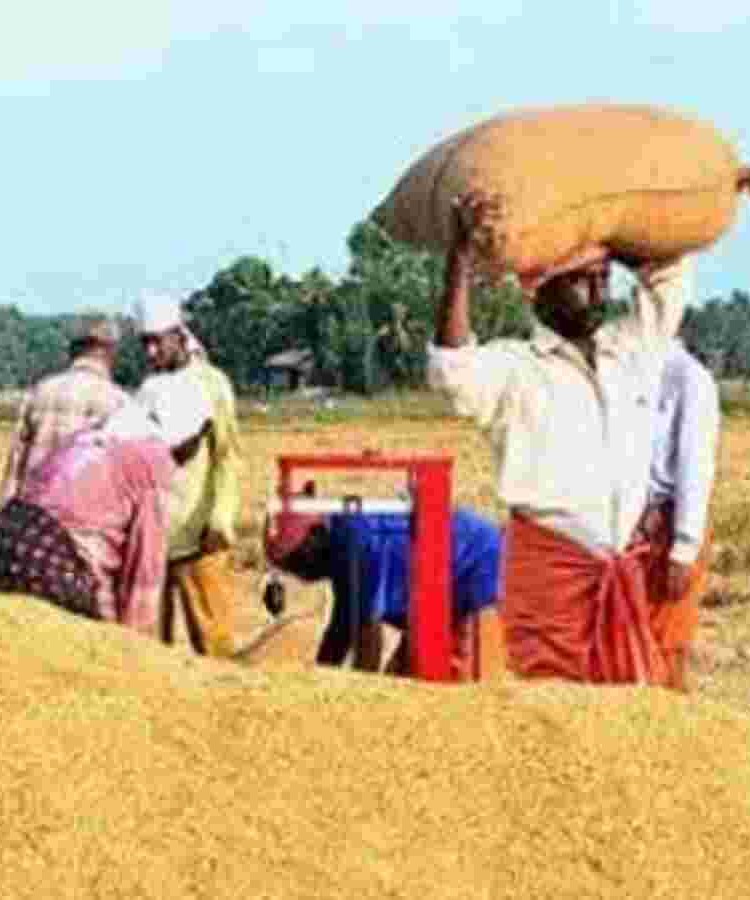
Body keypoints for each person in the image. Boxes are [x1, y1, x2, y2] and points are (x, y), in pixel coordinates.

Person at [427, 191, 691, 687]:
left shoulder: (631, 349)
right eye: (581, 281)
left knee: (627, 711)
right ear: (538, 291)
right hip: (550, 573)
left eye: (603, 279)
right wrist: (460, 257)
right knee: (553, 711)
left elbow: (668, 280)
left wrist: (610, 227)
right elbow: (451, 369)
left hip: (619, 567)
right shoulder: (515, 367)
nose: (598, 293)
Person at [0, 393, 211, 637]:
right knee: (89, 639)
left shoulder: (98, 433)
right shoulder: (153, 458)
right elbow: (143, 567)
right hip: (50, 553)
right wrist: (134, 644)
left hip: (6, 536)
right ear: (186, 434)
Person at [265, 490, 504, 680]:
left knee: (448, 679)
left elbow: (367, 632)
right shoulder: (341, 540)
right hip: (430, 590)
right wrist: (320, 680)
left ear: (315, 536)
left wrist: (358, 697)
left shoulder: (356, 545)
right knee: (405, 677)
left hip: (472, 563)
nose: (300, 575)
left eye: (298, 562)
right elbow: (342, 627)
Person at [135, 296, 244, 658]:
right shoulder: (148, 390)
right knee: (148, 649)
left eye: (157, 342)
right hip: (154, 538)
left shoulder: (212, 384)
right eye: (144, 343)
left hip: (199, 538)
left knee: (213, 645)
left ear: (179, 336)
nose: (150, 352)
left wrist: (221, 517)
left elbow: (228, 456)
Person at [629, 339, 721, 692]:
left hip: (667, 525)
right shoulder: (625, 370)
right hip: (632, 526)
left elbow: (694, 466)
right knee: (631, 644)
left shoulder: (689, 378)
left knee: (665, 645)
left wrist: (683, 549)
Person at [0, 315, 129, 503]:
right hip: (83, 513)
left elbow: (15, 468)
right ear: (110, 350)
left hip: (32, 512)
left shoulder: (39, 391)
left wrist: (3, 512)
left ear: (73, 349)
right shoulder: (117, 401)